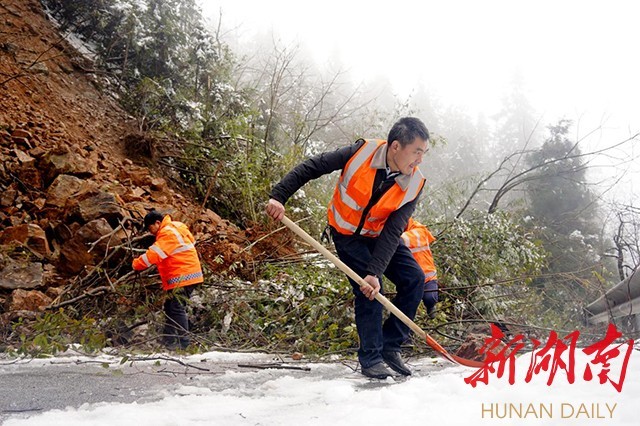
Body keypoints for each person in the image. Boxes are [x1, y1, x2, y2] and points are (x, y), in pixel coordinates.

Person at [266, 117, 430, 379]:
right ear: (396, 146)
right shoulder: (360, 153)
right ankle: (371, 358)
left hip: (379, 237)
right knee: (370, 291)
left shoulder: (415, 183)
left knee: (414, 279)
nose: (419, 160)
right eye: (416, 152)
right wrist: (278, 196)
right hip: (348, 235)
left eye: (424, 153)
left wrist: (375, 270)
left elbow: (393, 230)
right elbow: (312, 167)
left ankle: (390, 346)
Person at [132, 210, 203, 350]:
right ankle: (168, 340)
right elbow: (192, 242)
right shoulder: (178, 226)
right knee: (170, 306)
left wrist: (136, 264)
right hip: (188, 274)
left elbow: (154, 255)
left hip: (183, 277)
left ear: (157, 223)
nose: (150, 232)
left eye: (150, 228)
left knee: (176, 308)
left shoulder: (167, 233)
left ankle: (185, 344)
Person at [401, 218, 439, 319]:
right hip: (410, 278)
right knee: (408, 304)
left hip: (428, 276)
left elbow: (403, 239)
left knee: (430, 298)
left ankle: (430, 308)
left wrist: (389, 238)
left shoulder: (419, 231)